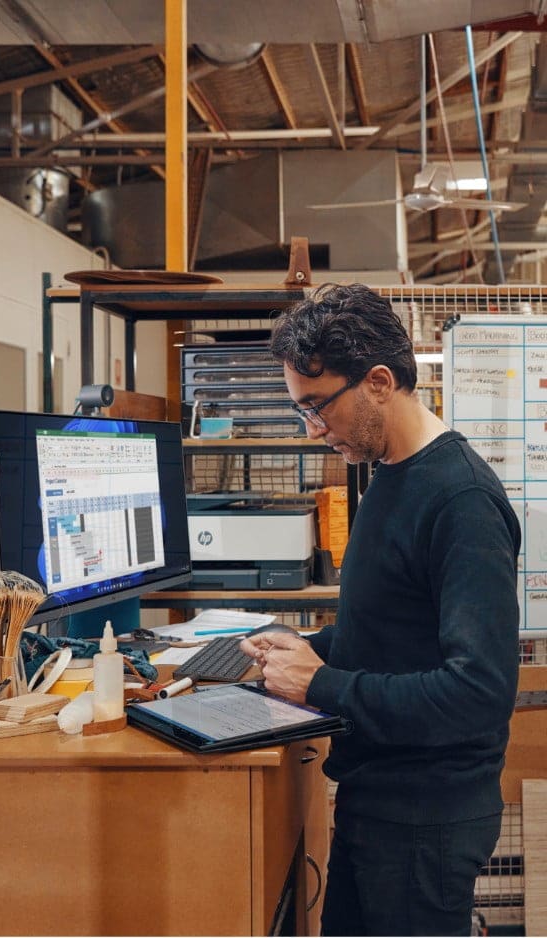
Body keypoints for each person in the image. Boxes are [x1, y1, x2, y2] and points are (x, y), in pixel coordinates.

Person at [240, 283, 520, 937]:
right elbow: (394, 627)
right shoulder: (390, 471)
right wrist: (310, 649)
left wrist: (323, 684)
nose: (312, 431)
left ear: (378, 381)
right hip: (380, 801)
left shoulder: (461, 500)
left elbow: (478, 692)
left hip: (427, 819)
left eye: (316, 407)